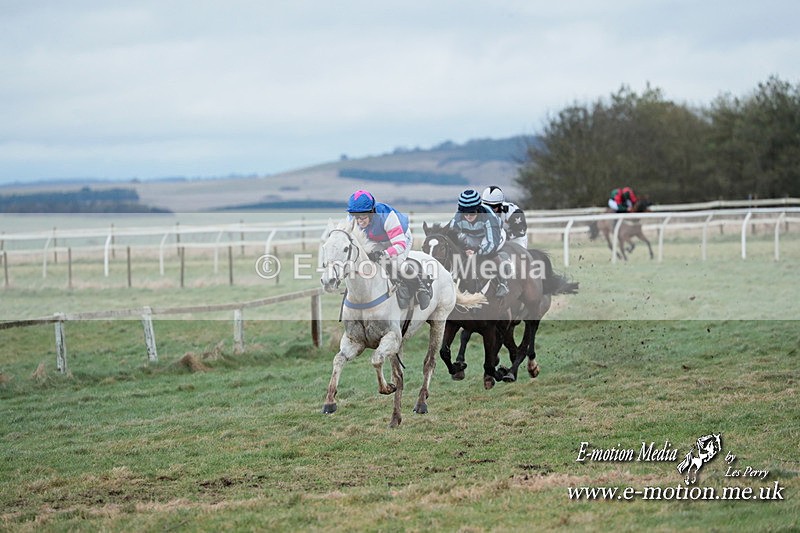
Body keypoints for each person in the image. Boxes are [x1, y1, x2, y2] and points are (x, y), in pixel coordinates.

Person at [346, 190, 431, 309]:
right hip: (376, 239)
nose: (359, 221)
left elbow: (400, 244)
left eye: (363, 217)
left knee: (395, 263)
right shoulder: (351, 218)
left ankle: (421, 286)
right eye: (356, 217)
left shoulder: (386, 216)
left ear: (372, 212)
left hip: (400, 238)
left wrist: (384, 254)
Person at [447, 188, 510, 298]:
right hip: (471, 235)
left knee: (490, 254)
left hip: (494, 235)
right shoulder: (458, 217)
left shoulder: (489, 217)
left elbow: (492, 243)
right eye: (465, 214)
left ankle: (502, 282)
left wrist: (477, 251)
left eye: (472, 213)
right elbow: (451, 236)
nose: (468, 217)